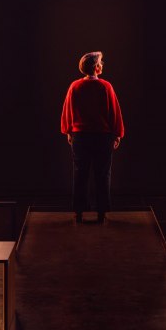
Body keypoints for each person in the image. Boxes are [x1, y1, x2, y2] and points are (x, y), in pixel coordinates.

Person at [60, 51, 124, 224]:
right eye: (101, 62)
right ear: (96, 67)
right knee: (102, 174)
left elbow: (68, 111)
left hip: (80, 137)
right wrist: (117, 134)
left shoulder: (74, 86)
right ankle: (101, 212)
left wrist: (68, 131)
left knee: (80, 174)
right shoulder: (105, 87)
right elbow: (114, 113)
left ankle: (79, 212)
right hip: (102, 137)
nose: (102, 65)